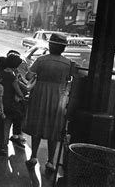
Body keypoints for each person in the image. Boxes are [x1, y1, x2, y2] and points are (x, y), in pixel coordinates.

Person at [24, 33, 72, 172]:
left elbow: (28, 76)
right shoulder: (67, 63)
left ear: (50, 45)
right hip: (58, 97)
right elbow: (70, 79)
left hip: (39, 94)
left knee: (37, 124)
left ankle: (33, 156)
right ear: (63, 49)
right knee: (54, 128)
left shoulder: (41, 60)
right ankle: (51, 162)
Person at [1, 54, 26, 150]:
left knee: (19, 110)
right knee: (20, 112)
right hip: (7, 104)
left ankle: (16, 134)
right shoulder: (12, 77)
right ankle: (17, 135)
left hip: (1, 100)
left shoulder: (2, 73)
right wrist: (23, 97)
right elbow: (19, 92)